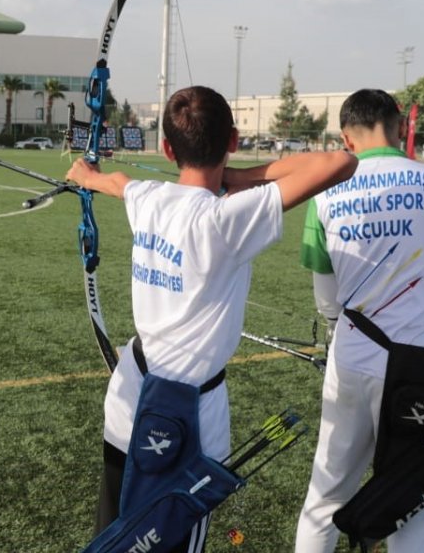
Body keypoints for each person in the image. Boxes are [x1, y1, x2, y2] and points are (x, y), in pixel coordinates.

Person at [68, 85, 356, 550]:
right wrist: (242, 176)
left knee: (113, 536)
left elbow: (118, 182)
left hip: (128, 403)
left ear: (167, 149)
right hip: (194, 424)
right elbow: (341, 161)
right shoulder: (225, 220)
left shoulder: (149, 199)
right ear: (233, 140)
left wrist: (87, 175)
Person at [295, 88, 424, 553]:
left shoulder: (325, 190)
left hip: (353, 356)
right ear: (401, 126)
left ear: (345, 138)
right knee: (420, 488)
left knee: (327, 492)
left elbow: (327, 301)